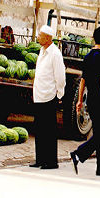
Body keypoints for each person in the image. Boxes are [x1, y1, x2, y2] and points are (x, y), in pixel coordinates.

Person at [69, 26, 100, 176]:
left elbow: (83, 81)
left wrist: (79, 100)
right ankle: (78, 154)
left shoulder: (88, 56)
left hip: (90, 100)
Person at [30, 24, 66, 170]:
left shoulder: (55, 54)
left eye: (40, 35)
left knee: (49, 131)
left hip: (49, 96)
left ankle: (51, 161)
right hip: (39, 96)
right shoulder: (42, 51)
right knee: (39, 130)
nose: (38, 37)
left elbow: (60, 76)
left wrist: (59, 94)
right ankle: (40, 159)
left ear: (47, 38)